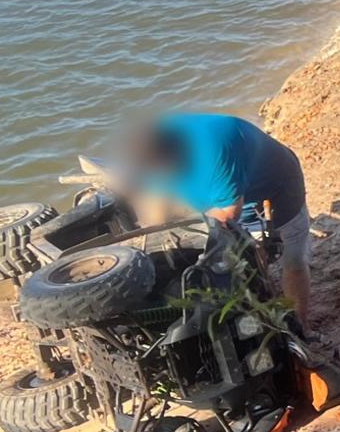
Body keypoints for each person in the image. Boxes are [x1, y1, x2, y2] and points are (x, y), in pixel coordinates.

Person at [131, 112, 314, 327]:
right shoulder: (151, 152)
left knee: (293, 260)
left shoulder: (215, 151)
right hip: (226, 189)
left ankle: (301, 326)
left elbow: (228, 213)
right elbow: (156, 208)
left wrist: (187, 222)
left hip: (276, 186)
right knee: (249, 256)